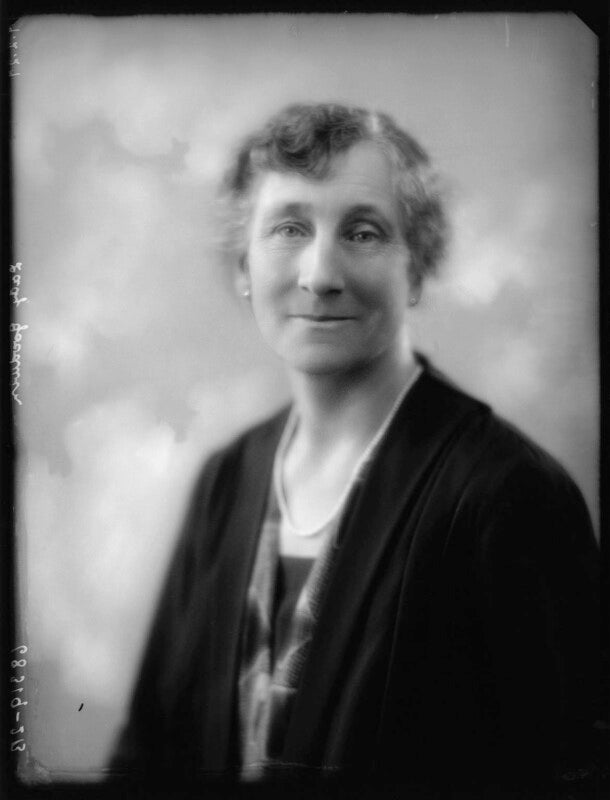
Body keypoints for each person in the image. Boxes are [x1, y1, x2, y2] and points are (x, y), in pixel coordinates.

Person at [108, 103, 600, 794]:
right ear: (243, 265)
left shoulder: (507, 494)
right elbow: (147, 755)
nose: (319, 274)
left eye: (363, 232)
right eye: (289, 228)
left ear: (417, 267)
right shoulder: (226, 480)